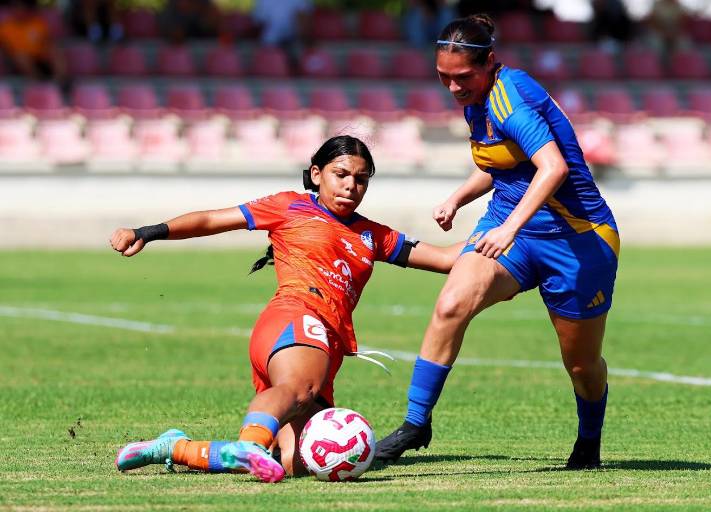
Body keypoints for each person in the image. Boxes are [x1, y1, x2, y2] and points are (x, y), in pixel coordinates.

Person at [112, 135, 461, 482]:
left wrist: (508, 228)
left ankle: (176, 448)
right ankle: (249, 443)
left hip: (327, 343)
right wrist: (148, 231)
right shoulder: (289, 206)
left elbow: (447, 258)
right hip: (296, 318)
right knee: (298, 390)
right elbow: (212, 220)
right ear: (315, 174)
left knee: (299, 462)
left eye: (361, 179)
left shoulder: (373, 235)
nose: (351, 185)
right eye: (341, 174)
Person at [374, 14, 620, 470]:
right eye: (443, 77)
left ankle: (589, 440)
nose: (453, 87)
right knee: (451, 305)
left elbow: (553, 168)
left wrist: (507, 230)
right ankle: (414, 423)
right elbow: (500, 162)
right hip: (513, 225)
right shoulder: (477, 99)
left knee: (582, 366)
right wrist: (458, 197)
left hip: (579, 240)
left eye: (462, 77)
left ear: (490, 62)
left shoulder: (510, 101)